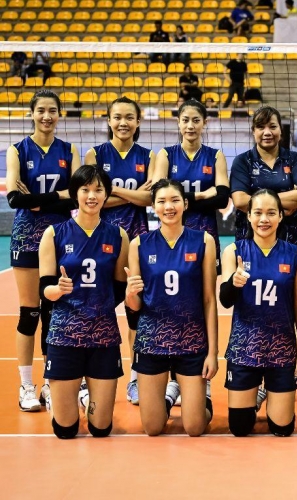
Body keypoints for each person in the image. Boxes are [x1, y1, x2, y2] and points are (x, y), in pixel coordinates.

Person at [38, 165, 129, 439]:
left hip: (103, 335)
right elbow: (44, 290)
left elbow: (119, 288)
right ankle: (57, 397)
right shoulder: (54, 234)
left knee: (101, 429)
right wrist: (58, 289)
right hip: (65, 335)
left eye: (98, 190)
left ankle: (84, 396)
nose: (92, 196)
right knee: (65, 430)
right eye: (85, 189)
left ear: (106, 194)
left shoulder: (118, 235)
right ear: (75, 194)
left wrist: (97, 305)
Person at [125, 179, 218, 437]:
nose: (169, 207)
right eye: (162, 201)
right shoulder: (139, 244)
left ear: (185, 204)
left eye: (175, 200)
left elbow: (209, 299)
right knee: (152, 428)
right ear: (153, 206)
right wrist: (130, 294)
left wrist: (212, 352)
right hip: (152, 341)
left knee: (195, 428)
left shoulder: (204, 241)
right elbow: (135, 305)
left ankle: (201, 399)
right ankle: (170, 396)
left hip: (191, 341)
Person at [6, 90, 80, 412]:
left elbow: (76, 196)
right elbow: (14, 199)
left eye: (52, 111)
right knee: (29, 313)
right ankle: (26, 385)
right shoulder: (18, 150)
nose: (47, 116)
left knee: (53, 311)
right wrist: (57, 196)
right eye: (41, 111)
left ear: (59, 114)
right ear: (32, 114)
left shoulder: (69, 149)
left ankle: (51, 383)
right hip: (26, 237)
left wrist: (37, 199)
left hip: (60, 236)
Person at [219, 189, 297, 437]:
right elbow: (225, 301)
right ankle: (256, 394)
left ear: (281, 216)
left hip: (281, 349)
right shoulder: (234, 251)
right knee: (240, 428)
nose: (264, 219)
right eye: (258, 213)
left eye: (271, 213)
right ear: (248, 216)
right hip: (244, 349)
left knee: (282, 429)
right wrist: (233, 283)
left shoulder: (296, 254)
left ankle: (268, 392)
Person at [83, 96, 155, 405]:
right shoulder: (95, 154)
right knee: (92, 311)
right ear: (109, 120)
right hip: (100, 242)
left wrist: (110, 191)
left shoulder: (149, 156)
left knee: (136, 314)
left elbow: (150, 198)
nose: (123, 122)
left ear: (138, 122)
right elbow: (90, 198)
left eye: (129, 117)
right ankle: (84, 377)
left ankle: (135, 378)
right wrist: (133, 194)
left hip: (137, 244)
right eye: (117, 117)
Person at [153, 98, 229, 276]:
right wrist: (200, 195)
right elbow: (156, 195)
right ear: (178, 122)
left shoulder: (216, 156)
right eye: (185, 120)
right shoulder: (166, 154)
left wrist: (176, 201)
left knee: (208, 283)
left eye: (196, 120)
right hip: (173, 231)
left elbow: (222, 199)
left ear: (204, 123)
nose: (190, 126)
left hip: (206, 233)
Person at [230, 105, 297, 246]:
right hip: (249, 241)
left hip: (288, 240)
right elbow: (240, 201)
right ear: (253, 131)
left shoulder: (295, 159)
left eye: (273, 127)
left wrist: (257, 202)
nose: (267, 132)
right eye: (261, 127)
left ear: (281, 130)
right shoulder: (242, 161)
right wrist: (279, 209)